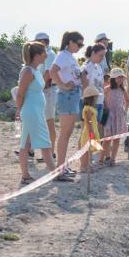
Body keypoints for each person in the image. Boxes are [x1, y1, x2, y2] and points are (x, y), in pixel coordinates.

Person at [15, 41, 60, 184]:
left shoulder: (35, 70)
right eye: (44, 53)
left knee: (32, 143)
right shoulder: (28, 71)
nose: (46, 55)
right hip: (30, 111)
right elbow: (20, 93)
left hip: (36, 111)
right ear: (36, 55)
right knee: (33, 144)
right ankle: (51, 174)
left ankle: (31, 175)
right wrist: (18, 110)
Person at [50, 31, 86, 179]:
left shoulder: (70, 57)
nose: (80, 47)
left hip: (73, 95)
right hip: (68, 95)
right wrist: (63, 86)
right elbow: (52, 71)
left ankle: (62, 167)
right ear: (70, 42)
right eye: (79, 43)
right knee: (65, 134)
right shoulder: (63, 56)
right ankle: (60, 169)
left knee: (67, 133)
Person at [34, 32, 58, 161]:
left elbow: (48, 73)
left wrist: (38, 88)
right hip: (44, 89)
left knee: (49, 122)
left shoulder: (50, 54)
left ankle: (51, 151)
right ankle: (32, 149)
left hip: (48, 90)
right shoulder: (43, 53)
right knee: (40, 120)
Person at [103, 68, 129, 166]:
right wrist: (105, 109)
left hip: (119, 116)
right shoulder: (107, 89)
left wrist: (125, 111)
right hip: (109, 116)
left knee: (117, 138)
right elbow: (103, 100)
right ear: (113, 78)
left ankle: (113, 159)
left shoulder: (123, 90)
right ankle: (107, 157)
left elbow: (127, 100)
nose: (121, 80)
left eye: (122, 78)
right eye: (119, 77)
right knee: (107, 138)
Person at [83, 44, 107, 125]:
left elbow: (101, 86)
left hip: (99, 102)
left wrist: (103, 101)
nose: (103, 58)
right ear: (93, 53)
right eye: (101, 55)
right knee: (88, 129)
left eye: (104, 55)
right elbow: (84, 86)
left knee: (95, 129)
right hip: (91, 103)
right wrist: (88, 103)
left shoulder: (99, 67)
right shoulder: (86, 67)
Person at [79, 86, 101, 173]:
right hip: (89, 131)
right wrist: (91, 132)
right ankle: (83, 166)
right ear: (92, 97)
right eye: (96, 97)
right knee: (86, 150)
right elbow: (88, 121)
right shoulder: (88, 109)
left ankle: (88, 165)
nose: (97, 98)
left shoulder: (91, 108)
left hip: (93, 130)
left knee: (90, 150)